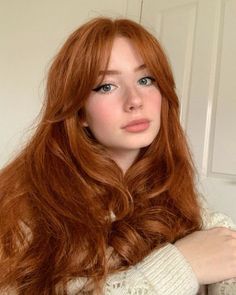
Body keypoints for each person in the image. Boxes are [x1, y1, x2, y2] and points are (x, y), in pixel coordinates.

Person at [0, 17, 236, 295]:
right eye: (106, 86)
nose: (135, 100)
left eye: (146, 80)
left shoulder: (176, 191)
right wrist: (179, 267)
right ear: (79, 111)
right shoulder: (19, 206)